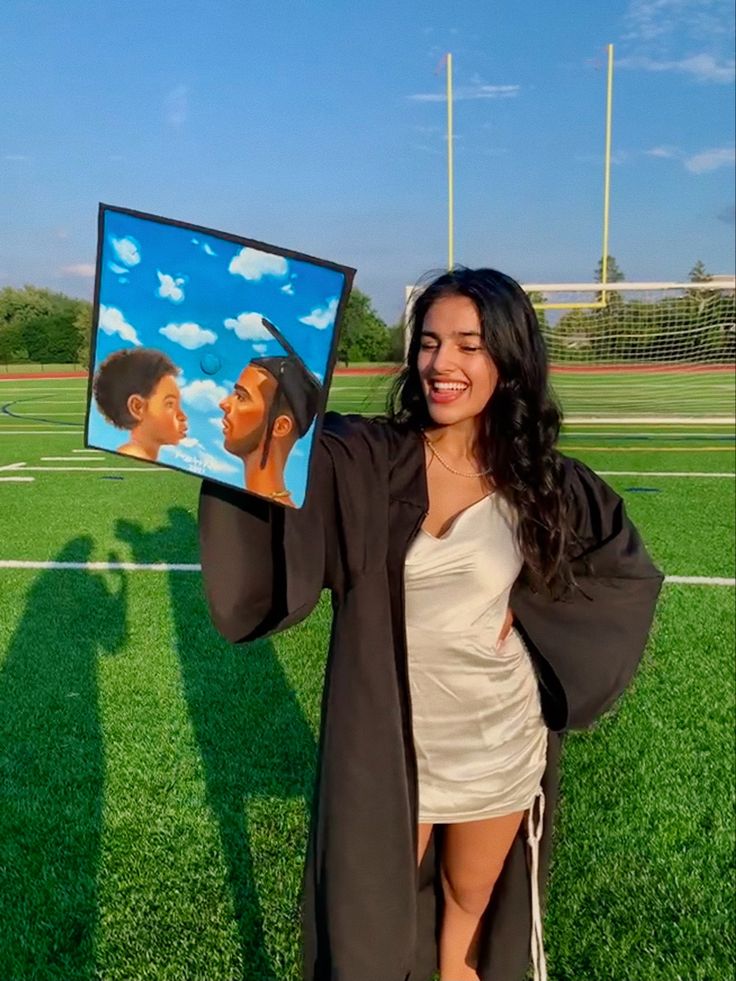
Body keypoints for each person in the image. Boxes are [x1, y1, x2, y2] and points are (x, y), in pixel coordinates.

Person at [198, 268, 663, 981]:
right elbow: (288, 452)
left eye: (470, 346)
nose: (443, 364)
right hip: (391, 745)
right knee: (370, 921)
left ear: (507, 359)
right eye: (430, 343)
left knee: (468, 906)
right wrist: (237, 419)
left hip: (497, 739)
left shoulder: (545, 481)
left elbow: (624, 571)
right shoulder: (371, 460)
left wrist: (539, 617)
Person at [219, 317, 322, 506]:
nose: (224, 403)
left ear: (280, 426)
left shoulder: (280, 516)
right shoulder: (226, 499)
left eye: (241, 397)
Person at [92, 347, 188, 461]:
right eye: (170, 404)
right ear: (137, 407)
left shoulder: (142, 458)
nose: (183, 416)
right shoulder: (135, 457)